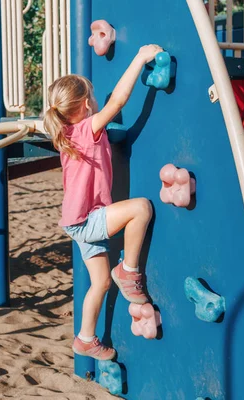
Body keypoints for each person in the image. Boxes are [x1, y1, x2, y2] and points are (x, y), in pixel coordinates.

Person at [43, 44, 162, 360]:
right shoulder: (86, 129)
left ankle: (85, 338)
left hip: (75, 223)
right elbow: (120, 100)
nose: (99, 102)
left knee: (99, 285)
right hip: (87, 219)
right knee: (141, 208)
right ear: (85, 105)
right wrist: (140, 58)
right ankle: (128, 270)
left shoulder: (66, 134)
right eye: (94, 97)